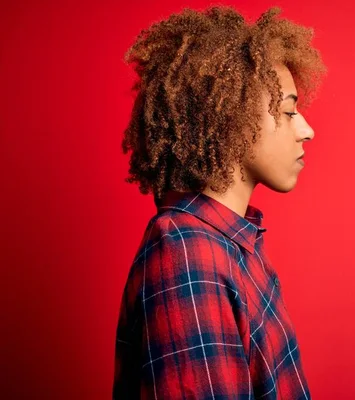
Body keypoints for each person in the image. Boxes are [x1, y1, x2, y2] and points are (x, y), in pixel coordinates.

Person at [112, 5, 326, 399]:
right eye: (288, 110)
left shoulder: (231, 244)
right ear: (231, 117)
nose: (306, 130)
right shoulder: (187, 255)